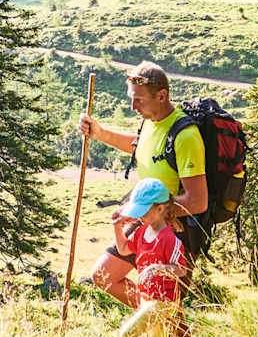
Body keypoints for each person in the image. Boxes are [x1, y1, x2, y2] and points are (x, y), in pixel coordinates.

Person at [78, 61, 207, 308]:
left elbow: (198, 201)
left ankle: (168, 331)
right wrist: (100, 133)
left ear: (162, 96)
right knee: (104, 276)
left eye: (139, 100)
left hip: (173, 232)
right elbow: (142, 146)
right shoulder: (151, 121)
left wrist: (151, 213)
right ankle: (152, 314)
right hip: (147, 221)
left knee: (167, 305)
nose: (132, 106)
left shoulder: (186, 136)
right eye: (131, 98)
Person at [114, 178, 187, 337]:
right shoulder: (140, 232)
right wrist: (117, 227)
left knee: (128, 334)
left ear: (160, 209)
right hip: (147, 298)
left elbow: (181, 269)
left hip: (163, 301)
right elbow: (123, 249)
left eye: (143, 211)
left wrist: (158, 268)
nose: (139, 216)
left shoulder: (168, 238)